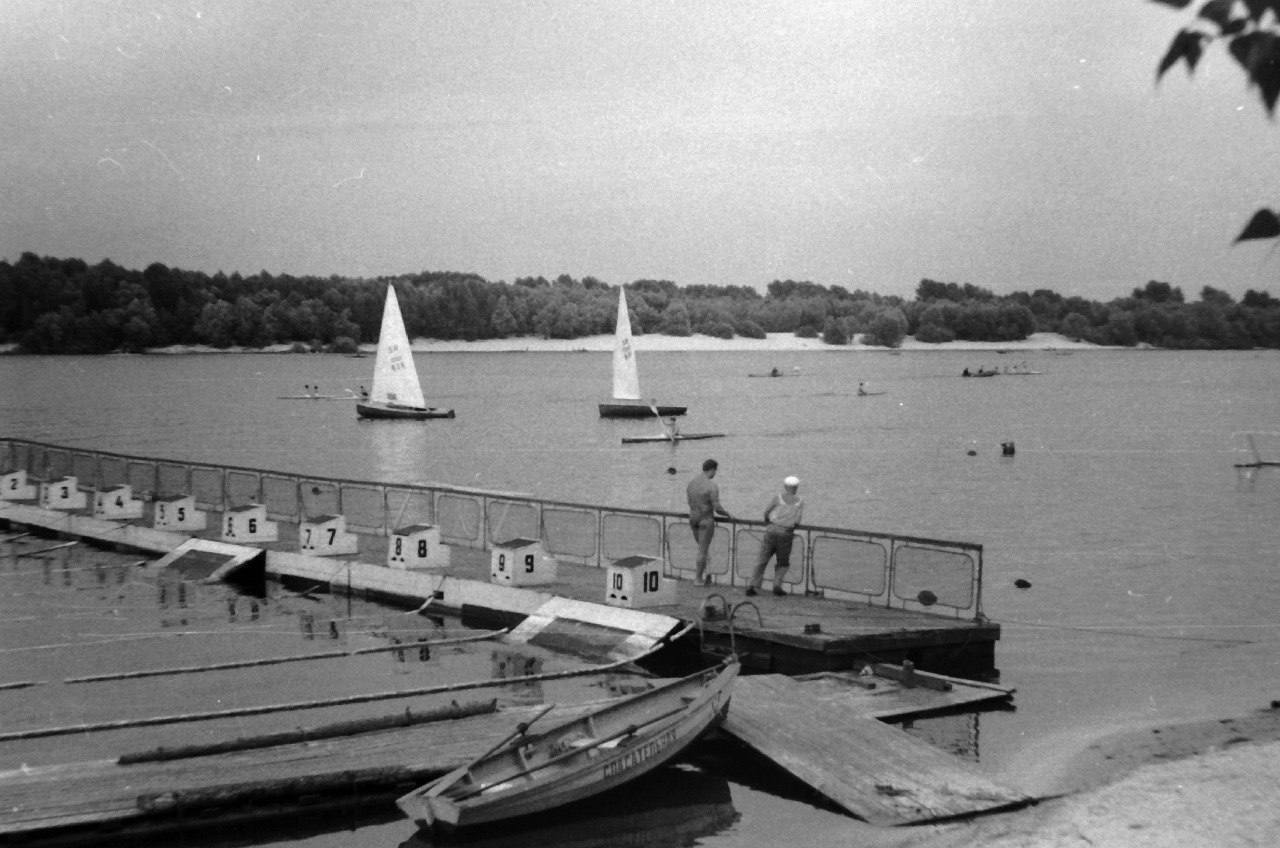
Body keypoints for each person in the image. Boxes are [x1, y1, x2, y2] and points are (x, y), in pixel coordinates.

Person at [747, 475, 804, 597]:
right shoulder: (800, 501)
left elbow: (767, 512)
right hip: (786, 534)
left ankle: (752, 585)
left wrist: (767, 521)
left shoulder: (778, 498)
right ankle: (777, 585)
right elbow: (797, 521)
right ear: (796, 487)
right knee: (783, 561)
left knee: (762, 558)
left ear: (785, 486)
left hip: (771, 530)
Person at [686, 458, 731, 585]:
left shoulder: (692, 483)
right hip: (705, 519)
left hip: (693, 517)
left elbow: (689, 501)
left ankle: (708, 574)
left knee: (702, 549)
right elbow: (717, 508)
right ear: (712, 470)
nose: (715, 473)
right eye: (715, 471)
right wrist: (727, 514)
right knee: (703, 550)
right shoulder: (712, 486)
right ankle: (698, 579)